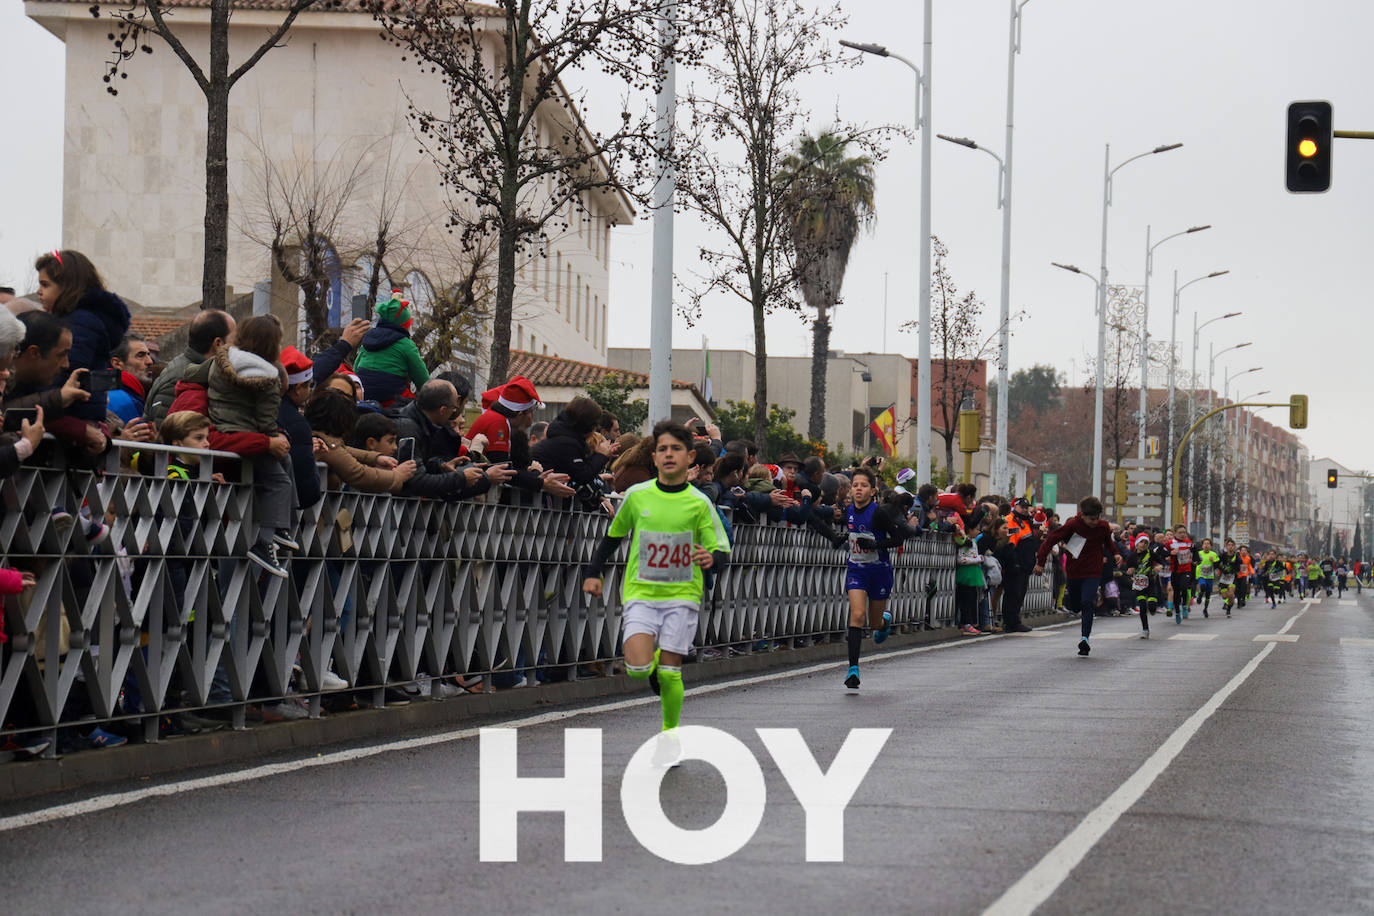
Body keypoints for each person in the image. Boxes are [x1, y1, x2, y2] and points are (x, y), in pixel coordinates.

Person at [581, 420, 730, 765]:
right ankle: (656, 662)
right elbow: (612, 539)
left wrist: (712, 559)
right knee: (637, 668)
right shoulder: (637, 496)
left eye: (676, 449)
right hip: (642, 593)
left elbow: (720, 548)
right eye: (662, 449)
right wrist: (592, 573)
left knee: (670, 671)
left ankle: (669, 736)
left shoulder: (699, 503)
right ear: (654, 456)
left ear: (690, 457)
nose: (668, 454)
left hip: (682, 595)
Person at [186, 314, 297, 578]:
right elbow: (266, 419)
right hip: (246, 435)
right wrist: (272, 440)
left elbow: (192, 373)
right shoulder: (269, 377)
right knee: (280, 481)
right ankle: (266, 539)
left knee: (285, 463)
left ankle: (281, 527)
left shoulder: (222, 359)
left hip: (222, 427)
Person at [827, 466, 917, 687]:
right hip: (857, 570)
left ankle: (884, 621)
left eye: (864, 486)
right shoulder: (848, 510)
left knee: (875, 624)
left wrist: (875, 544)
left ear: (873, 491)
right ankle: (853, 670)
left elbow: (898, 539)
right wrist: (839, 537)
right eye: (855, 485)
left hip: (880, 571)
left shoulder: (879, 513)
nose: (858, 489)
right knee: (857, 615)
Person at [34, 249, 130, 426]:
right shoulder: (78, 320)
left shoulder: (80, 323)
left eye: (45, 285)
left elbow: (67, 371)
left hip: (72, 415)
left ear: (68, 286)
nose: (39, 291)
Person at [1034, 496, 1120, 656]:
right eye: (1091, 519)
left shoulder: (1102, 526)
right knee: (1076, 605)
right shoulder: (1072, 525)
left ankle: (1084, 639)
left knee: (1087, 602)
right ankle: (1076, 609)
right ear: (1083, 515)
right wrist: (1040, 562)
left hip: (1093, 571)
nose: (1095, 522)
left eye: (1097, 518)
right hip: (1074, 571)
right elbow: (1050, 540)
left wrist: (1116, 553)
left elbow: (1108, 542)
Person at [144, 309, 235, 426]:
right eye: (235, 338)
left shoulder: (194, 371)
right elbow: (164, 430)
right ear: (218, 343)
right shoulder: (181, 378)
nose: (238, 345)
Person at [351, 294, 430, 405]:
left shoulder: (368, 339)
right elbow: (422, 378)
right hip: (391, 398)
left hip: (363, 395)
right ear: (405, 325)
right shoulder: (406, 344)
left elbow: (355, 369)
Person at [468, 376, 542, 463]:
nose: (532, 417)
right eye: (532, 411)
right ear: (520, 414)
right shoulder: (499, 423)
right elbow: (500, 466)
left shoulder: (499, 419)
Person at [1167, 524, 1195, 624]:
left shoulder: (1189, 543)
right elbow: (1161, 553)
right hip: (1175, 571)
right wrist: (1170, 553)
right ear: (1175, 533)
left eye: (1184, 532)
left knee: (1184, 587)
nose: (1182, 534)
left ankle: (1184, 606)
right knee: (1176, 592)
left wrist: (1194, 560)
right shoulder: (1170, 543)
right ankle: (1177, 612)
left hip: (1186, 570)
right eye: (1180, 533)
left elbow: (1195, 552)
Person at [1195, 538, 1220, 618]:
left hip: (1210, 576)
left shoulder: (1213, 554)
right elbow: (1194, 562)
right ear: (1202, 546)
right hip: (1200, 574)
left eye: (1208, 544)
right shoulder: (1199, 553)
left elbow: (1217, 565)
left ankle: (1205, 609)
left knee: (1208, 594)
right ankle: (1200, 595)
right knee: (1203, 586)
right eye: (1205, 544)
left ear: (1211, 546)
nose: (1206, 545)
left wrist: (1213, 561)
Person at [1217, 538, 1241, 617]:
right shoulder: (1222, 555)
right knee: (1224, 596)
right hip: (1223, 578)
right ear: (1226, 546)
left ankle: (1228, 610)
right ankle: (1229, 603)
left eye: (1232, 545)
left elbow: (1239, 566)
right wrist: (1223, 569)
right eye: (1229, 545)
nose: (1230, 547)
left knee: (1231, 594)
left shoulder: (1236, 556)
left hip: (1232, 578)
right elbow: (1218, 564)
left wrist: (1234, 569)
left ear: (1234, 547)